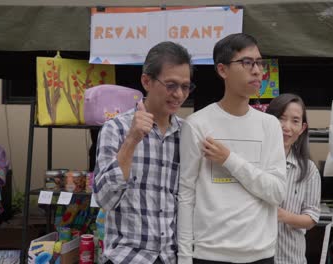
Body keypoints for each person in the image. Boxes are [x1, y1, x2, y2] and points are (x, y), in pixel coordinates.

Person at [177, 33, 287, 264]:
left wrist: (229, 159)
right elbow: (186, 195)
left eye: (259, 62)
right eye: (247, 62)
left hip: (260, 254)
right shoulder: (197, 124)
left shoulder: (269, 125)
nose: (257, 70)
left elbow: (277, 192)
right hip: (208, 254)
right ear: (222, 70)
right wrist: (185, 257)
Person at [93, 41, 194, 264]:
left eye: (185, 87)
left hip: (172, 257)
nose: (178, 94)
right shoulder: (116, 129)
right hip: (127, 257)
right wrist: (132, 140)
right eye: (170, 85)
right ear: (146, 81)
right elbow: (105, 199)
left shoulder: (187, 134)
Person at [266, 94, 321, 264]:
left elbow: (311, 218)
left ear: (303, 128)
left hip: (291, 258)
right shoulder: (254, 163)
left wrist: (280, 215)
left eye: (295, 121)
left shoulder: (309, 170)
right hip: (255, 256)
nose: (286, 127)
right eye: (281, 119)